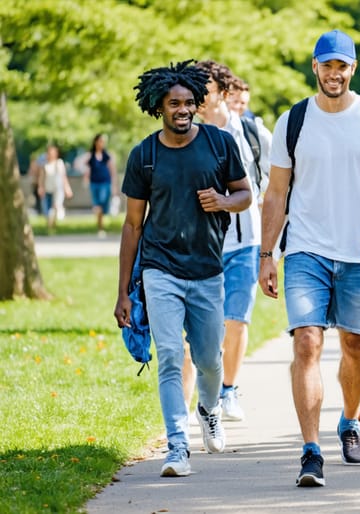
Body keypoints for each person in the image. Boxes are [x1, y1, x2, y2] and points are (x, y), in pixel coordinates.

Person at [258, 29, 360, 487]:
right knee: (306, 342)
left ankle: (348, 421)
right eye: (328, 65)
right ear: (315, 67)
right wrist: (267, 254)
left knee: (356, 348)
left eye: (342, 66)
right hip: (305, 249)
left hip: (359, 252)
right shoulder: (293, 120)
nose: (335, 73)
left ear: (353, 69)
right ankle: (310, 451)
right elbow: (276, 193)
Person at [114, 60, 252, 477]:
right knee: (171, 355)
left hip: (208, 270)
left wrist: (224, 202)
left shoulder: (218, 144)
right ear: (160, 106)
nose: (183, 109)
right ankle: (177, 447)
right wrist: (123, 291)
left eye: (190, 102)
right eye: (174, 103)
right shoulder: (146, 155)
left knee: (211, 360)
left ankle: (209, 409)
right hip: (160, 269)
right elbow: (133, 225)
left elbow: (244, 193)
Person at [178, 60, 268, 423]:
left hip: (244, 243)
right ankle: (182, 412)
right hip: (200, 246)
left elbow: (269, 185)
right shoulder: (186, 133)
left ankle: (228, 390)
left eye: (206, 89)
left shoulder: (251, 132)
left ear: (223, 92)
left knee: (236, 321)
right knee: (192, 334)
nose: (199, 98)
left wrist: (270, 249)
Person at [81, 134, 118, 237]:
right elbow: (82, 166)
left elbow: (113, 171)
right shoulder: (90, 156)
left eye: (103, 141)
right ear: (96, 142)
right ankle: (100, 228)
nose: (102, 143)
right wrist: (85, 176)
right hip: (94, 183)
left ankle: (101, 224)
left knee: (103, 204)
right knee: (97, 205)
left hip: (105, 183)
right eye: (100, 141)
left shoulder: (107, 155)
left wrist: (114, 186)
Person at [36, 143, 73, 233]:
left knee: (56, 206)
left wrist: (67, 188)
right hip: (48, 188)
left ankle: (53, 224)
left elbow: (63, 176)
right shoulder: (44, 164)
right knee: (47, 209)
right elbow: (41, 177)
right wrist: (40, 187)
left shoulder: (59, 163)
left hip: (57, 189)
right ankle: (50, 227)